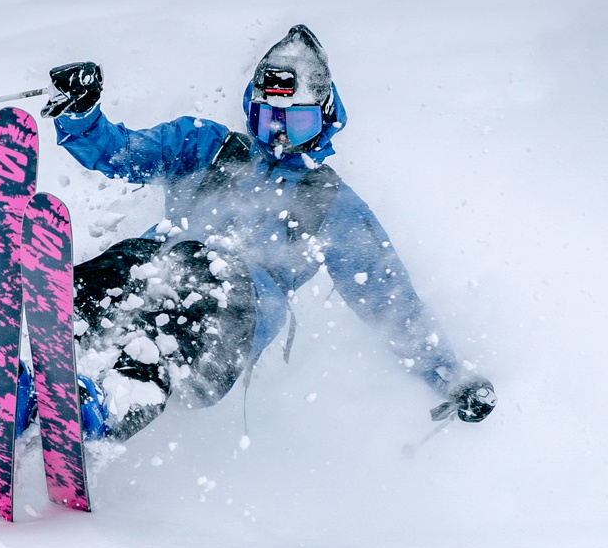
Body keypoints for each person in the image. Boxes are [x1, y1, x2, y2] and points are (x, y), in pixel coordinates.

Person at [41, 24, 494, 440]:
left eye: (296, 123)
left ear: (324, 117)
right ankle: (53, 351)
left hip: (235, 322)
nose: (278, 136)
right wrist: (82, 115)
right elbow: (124, 154)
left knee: (200, 274)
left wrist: (450, 377)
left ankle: (115, 403)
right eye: (267, 119)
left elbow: (389, 299)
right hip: (161, 266)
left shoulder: (331, 203)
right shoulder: (205, 147)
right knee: (137, 259)